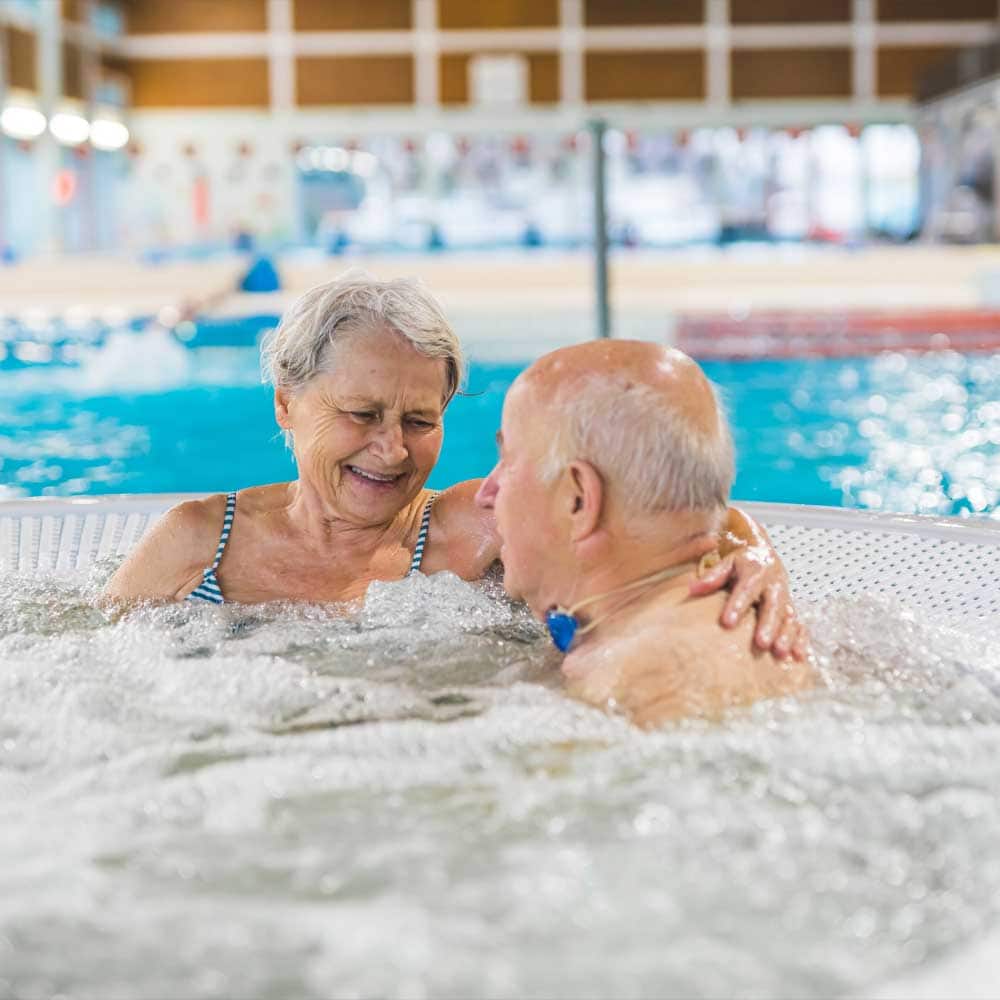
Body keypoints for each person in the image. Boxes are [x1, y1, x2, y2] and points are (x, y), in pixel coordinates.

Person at [104, 272, 803, 657]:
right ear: (287, 405)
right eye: (362, 415)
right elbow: (94, 663)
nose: (393, 450)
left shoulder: (475, 528)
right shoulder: (201, 541)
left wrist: (756, 557)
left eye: (419, 421)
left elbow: (664, 511)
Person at [474, 340, 814, 727]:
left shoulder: (644, 686)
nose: (487, 492)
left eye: (508, 462)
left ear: (579, 500)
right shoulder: (697, 636)